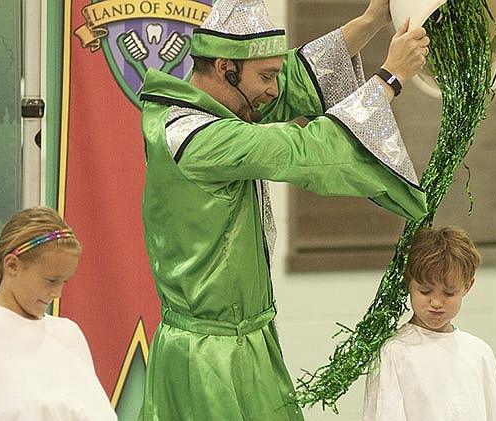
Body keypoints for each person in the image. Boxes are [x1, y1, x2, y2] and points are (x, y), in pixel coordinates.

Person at [139, 0, 430, 419]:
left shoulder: (211, 107)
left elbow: (295, 74)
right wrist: (390, 78)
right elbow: (306, 150)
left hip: (246, 341)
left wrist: (371, 21)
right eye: (266, 77)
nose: (275, 90)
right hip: (207, 360)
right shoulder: (197, 139)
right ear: (226, 68)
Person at [0, 206, 117, 421]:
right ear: (12, 265)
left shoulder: (69, 333)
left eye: (63, 282)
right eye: (51, 281)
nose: (57, 293)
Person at [363, 226, 496, 421]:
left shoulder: (479, 353)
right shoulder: (394, 352)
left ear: (467, 286)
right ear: (409, 283)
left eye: (449, 293)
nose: (436, 303)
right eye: (425, 291)